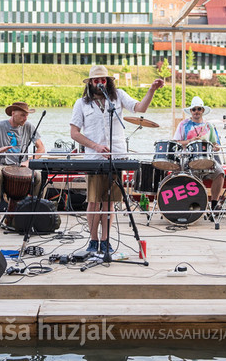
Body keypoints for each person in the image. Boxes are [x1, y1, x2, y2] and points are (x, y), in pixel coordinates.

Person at [70, 65, 164, 254]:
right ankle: (93, 240)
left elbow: (140, 107)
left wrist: (151, 90)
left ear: (108, 81)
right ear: (90, 83)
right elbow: (74, 133)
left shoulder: (118, 96)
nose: (100, 83)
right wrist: (95, 146)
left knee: (110, 201)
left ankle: (106, 240)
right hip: (94, 158)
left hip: (116, 155)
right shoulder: (81, 103)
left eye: (103, 80)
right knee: (94, 202)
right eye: (96, 80)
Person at [0, 102, 46, 221]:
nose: (25, 118)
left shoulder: (29, 126)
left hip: (22, 166)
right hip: (2, 165)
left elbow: (41, 148)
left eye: (26, 116)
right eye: (22, 115)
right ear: (13, 113)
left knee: (39, 176)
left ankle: (31, 209)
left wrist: (30, 161)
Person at [173, 96, 226, 217]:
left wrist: (216, 147)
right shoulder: (183, 124)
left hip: (207, 159)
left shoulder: (209, 126)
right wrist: (190, 140)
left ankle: (214, 204)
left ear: (202, 110)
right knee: (181, 176)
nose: (196, 111)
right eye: (194, 109)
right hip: (188, 159)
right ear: (191, 111)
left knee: (220, 173)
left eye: (199, 109)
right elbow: (176, 142)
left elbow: (215, 143)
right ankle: (188, 205)